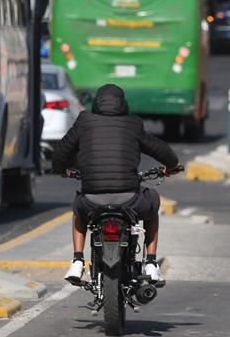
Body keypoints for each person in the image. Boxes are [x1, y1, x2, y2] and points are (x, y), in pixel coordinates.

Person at [53, 83, 180, 286]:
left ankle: (77, 261)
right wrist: (172, 165)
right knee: (153, 201)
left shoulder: (85, 120)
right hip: (129, 198)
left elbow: (61, 151)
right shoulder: (133, 123)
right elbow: (158, 148)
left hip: (92, 199)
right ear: (123, 104)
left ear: (96, 103)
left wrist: (61, 170)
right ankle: (150, 263)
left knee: (79, 208)